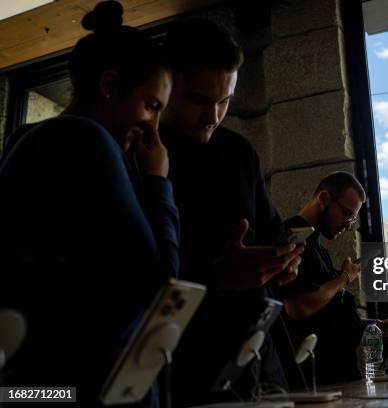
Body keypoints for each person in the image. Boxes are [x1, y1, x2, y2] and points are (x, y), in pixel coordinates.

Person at [0, 1, 177, 406]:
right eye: (151, 105)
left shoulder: (27, 139)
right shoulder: (87, 141)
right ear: (109, 86)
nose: (153, 126)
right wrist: (158, 182)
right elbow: (160, 288)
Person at [160, 19, 303, 406]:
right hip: (180, 363)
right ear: (165, 83)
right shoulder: (142, 151)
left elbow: (273, 230)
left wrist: (285, 260)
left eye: (225, 101)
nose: (214, 116)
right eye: (199, 100)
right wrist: (215, 275)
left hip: (256, 352)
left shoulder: (239, 151)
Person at [274, 172, 388, 388]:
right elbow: (299, 306)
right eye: (346, 214)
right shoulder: (293, 238)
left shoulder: (319, 247)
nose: (349, 225)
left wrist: (377, 326)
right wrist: (344, 277)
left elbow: (326, 315)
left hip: (337, 379)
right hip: (316, 382)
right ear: (323, 198)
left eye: (352, 219)